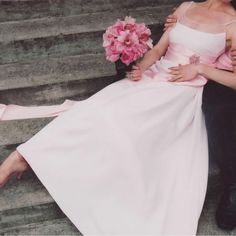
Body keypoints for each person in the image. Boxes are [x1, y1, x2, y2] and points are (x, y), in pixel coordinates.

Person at [0, 0, 236, 235]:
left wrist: (201, 69)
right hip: (154, 76)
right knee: (97, 109)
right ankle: (22, 156)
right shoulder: (186, 7)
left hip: (182, 91)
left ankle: (26, 159)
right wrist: (141, 68)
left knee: (123, 126)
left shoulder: (232, 22)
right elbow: (157, 50)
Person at [164, 5, 236, 230]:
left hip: (216, 76)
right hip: (197, 70)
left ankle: (233, 186)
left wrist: (202, 69)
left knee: (218, 109)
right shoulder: (190, 6)